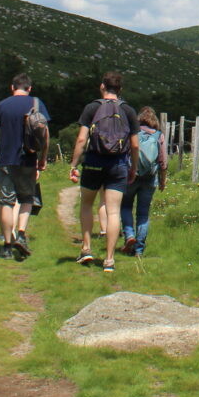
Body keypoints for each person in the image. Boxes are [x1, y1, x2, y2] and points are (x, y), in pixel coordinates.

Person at [0, 72, 48, 260]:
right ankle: (22, 234)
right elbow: (45, 134)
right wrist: (43, 159)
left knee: (6, 202)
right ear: (29, 88)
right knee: (27, 199)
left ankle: (7, 246)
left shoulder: (2, 106)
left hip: (5, 161)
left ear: (12, 87)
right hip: (28, 159)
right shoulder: (36, 103)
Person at [69, 71, 132, 272]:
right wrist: (134, 168)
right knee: (113, 211)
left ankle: (86, 249)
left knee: (86, 204)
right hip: (118, 164)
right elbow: (136, 145)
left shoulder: (92, 108)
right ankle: (109, 260)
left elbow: (81, 139)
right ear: (120, 90)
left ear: (102, 87)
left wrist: (73, 165)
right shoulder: (128, 110)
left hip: (94, 162)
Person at [120, 106, 169, 256]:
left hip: (131, 176)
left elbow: (124, 153)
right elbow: (163, 162)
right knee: (143, 214)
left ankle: (129, 235)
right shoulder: (158, 136)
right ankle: (139, 249)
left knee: (126, 206)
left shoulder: (132, 133)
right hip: (149, 178)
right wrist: (162, 181)